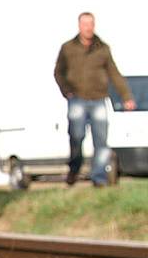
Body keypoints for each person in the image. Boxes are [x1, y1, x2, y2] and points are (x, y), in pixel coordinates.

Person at [54, 12, 135, 187]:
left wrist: (126, 96)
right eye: (85, 24)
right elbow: (58, 72)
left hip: (98, 99)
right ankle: (74, 168)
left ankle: (98, 178)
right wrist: (66, 91)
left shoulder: (102, 48)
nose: (88, 28)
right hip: (76, 99)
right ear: (79, 26)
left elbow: (113, 72)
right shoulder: (68, 48)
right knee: (76, 137)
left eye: (91, 24)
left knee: (101, 141)